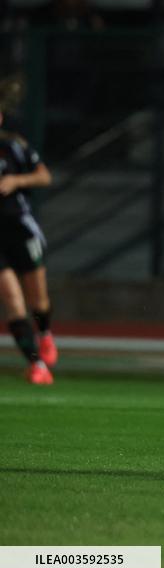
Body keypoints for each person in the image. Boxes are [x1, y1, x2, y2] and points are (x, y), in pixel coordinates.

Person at [0, 82, 57, 384]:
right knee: (11, 297)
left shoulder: (13, 146)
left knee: (38, 298)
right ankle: (36, 365)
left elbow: (45, 175)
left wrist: (15, 181)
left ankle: (45, 333)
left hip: (19, 227)